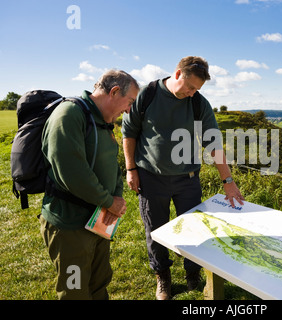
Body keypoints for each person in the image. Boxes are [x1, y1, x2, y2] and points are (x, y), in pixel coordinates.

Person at [122, 56, 244, 300]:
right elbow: (129, 132)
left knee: (192, 228)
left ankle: (192, 274)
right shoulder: (148, 95)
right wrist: (130, 169)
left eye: (197, 89)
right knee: (154, 229)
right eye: (190, 87)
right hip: (150, 177)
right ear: (178, 74)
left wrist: (228, 182)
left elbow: (213, 142)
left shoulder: (198, 103)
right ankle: (163, 278)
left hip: (187, 179)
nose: (191, 93)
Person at [39, 69, 139, 300]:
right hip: (70, 225)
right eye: (129, 102)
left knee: (98, 282)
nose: (128, 110)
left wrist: (117, 198)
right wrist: (108, 201)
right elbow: (72, 173)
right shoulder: (69, 114)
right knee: (74, 290)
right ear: (114, 92)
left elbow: (111, 165)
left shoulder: (102, 121)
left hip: (97, 220)